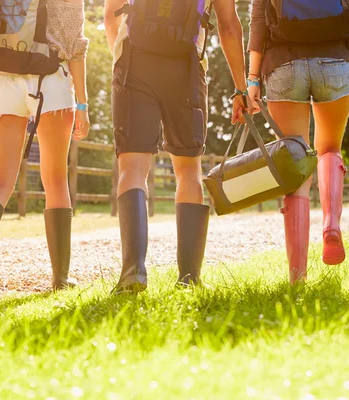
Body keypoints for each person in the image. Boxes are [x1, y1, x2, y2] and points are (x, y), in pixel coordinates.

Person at [248, 0, 349, 283]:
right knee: (328, 149)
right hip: (335, 64)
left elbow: (258, 22)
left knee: (295, 161)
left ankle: (297, 276)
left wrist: (252, 79)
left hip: (282, 65)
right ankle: (331, 224)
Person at [103, 0, 248, 293]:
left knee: (132, 168)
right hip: (187, 67)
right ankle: (189, 278)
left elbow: (110, 15)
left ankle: (134, 272)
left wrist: (120, 56)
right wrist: (241, 88)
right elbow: (229, 24)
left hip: (134, 61)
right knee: (188, 170)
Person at [0, 0, 90, 297]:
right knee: (56, 180)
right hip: (50, 80)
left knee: (1, 180)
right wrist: (82, 104)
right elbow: (76, 45)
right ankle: (61, 278)